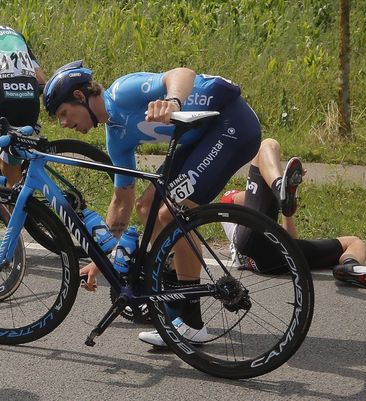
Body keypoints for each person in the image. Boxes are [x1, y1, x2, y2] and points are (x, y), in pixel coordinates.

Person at [43, 60, 261, 344]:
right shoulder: (117, 138)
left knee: (171, 214)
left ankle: (190, 321)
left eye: (63, 113)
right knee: (147, 207)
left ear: (79, 96)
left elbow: (183, 73)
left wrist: (172, 101)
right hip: (202, 137)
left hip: (232, 125)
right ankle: (176, 293)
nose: (64, 124)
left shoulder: (122, 92)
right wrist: (99, 262)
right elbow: (122, 202)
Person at [220, 138, 366, 289]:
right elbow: (229, 202)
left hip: (271, 257)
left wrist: (286, 203)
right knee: (268, 144)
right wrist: (280, 190)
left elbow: (290, 243)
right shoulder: (233, 197)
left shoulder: (251, 198)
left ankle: (350, 268)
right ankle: (280, 187)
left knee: (353, 242)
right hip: (253, 244)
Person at [0, 25, 46, 186]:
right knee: (11, 166)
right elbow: (40, 79)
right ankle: (22, 208)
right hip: (29, 104)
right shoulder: (15, 34)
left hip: (3, 101)